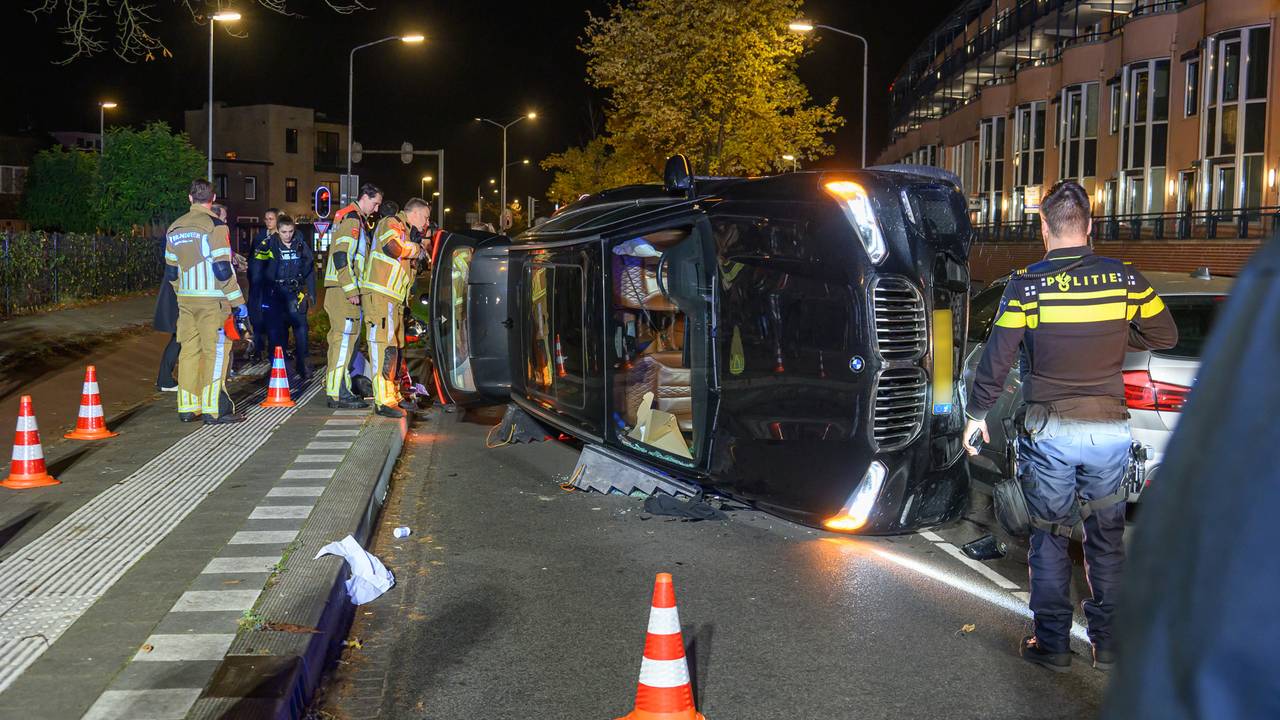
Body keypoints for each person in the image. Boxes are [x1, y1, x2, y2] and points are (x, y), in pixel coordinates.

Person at [962, 180, 1178, 672]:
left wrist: (976, 415)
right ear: (1091, 226)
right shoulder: (1125, 280)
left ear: (1044, 227)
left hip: (1050, 433)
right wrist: (1118, 330)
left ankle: (1053, 644)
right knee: (1106, 539)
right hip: (1108, 429)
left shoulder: (1026, 286)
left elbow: (997, 358)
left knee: (1050, 535)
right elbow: (1164, 334)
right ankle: (1110, 645)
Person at [164, 178, 248, 424]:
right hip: (213, 301)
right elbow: (222, 268)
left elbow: (171, 271)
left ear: (190, 198)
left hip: (186, 299)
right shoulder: (215, 226)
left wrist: (182, 292)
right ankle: (214, 409)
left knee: (189, 351)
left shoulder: (174, 228)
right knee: (216, 351)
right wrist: (238, 301)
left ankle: (188, 406)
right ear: (213, 199)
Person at [361, 196, 428, 417]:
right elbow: (393, 247)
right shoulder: (391, 223)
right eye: (426, 217)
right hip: (381, 296)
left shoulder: (406, 231)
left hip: (395, 300)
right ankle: (383, 401)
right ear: (415, 213)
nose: (426, 223)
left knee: (395, 350)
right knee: (384, 347)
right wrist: (416, 249)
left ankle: (394, 396)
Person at [323, 183, 382, 409]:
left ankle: (339, 388)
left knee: (343, 342)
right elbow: (341, 256)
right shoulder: (352, 220)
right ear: (364, 197)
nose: (376, 209)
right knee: (343, 342)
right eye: (375, 203)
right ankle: (338, 393)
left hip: (341, 290)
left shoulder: (353, 220)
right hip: (343, 292)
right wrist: (351, 290)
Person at [264, 214, 315, 380]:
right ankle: (281, 367)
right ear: (278, 231)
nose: (288, 235)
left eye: (290, 231)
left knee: (302, 332)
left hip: (296, 294)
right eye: (284, 232)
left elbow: (309, 269)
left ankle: (303, 365)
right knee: (278, 333)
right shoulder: (270, 245)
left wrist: (311, 293)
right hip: (277, 295)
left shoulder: (300, 245)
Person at [247, 208, 280, 361]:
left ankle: (274, 351)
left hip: (273, 285)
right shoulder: (260, 237)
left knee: (273, 320)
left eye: (271, 219)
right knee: (257, 318)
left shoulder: (280, 238)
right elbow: (252, 258)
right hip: (258, 285)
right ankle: (258, 349)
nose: (268, 222)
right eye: (266, 219)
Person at [152, 273, 181, 394]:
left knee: (179, 339)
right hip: (182, 300)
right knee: (179, 339)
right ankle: (164, 380)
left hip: (178, 299)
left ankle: (164, 379)